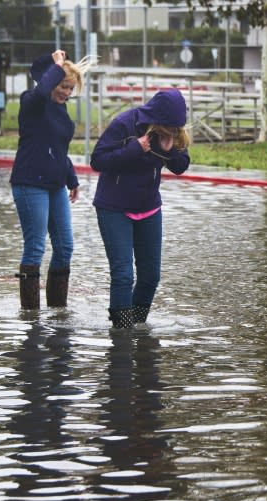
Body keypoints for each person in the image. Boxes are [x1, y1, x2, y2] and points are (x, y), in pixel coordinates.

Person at [90, 88, 191, 329]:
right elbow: (98, 160)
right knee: (124, 275)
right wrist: (135, 149)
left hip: (149, 208)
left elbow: (180, 166)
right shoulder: (125, 124)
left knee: (150, 277)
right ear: (157, 119)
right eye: (170, 127)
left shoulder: (174, 134)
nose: (174, 132)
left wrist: (170, 151)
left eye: (177, 128)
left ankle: (136, 326)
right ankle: (122, 333)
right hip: (114, 207)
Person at [10, 50, 93, 310]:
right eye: (63, 87)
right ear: (51, 80)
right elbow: (41, 89)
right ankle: (30, 314)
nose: (67, 93)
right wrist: (57, 66)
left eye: (70, 88)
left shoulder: (61, 110)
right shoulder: (32, 102)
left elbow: (59, 148)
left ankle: (57, 310)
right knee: (35, 247)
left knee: (65, 247)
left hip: (55, 185)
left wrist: (72, 179)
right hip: (29, 183)